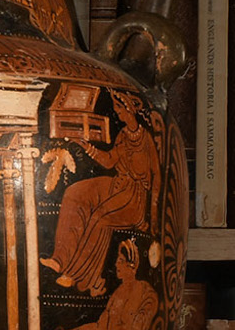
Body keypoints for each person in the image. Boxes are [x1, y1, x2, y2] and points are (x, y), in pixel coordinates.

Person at [42, 96, 162, 294]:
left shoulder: (145, 139)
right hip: (117, 185)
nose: (119, 114)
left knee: (99, 217)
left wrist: (152, 216)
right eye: (116, 110)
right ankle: (59, 259)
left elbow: (156, 178)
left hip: (135, 198)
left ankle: (78, 275)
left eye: (121, 110)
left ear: (130, 109)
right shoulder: (123, 134)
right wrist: (84, 145)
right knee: (74, 193)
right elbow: (108, 161)